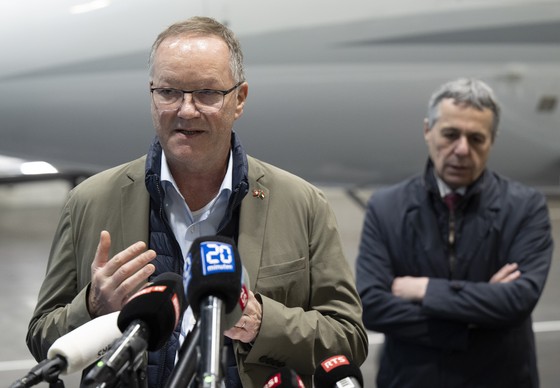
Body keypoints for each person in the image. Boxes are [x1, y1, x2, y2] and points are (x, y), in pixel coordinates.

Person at [26, 16, 368, 388]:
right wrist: (92, 306)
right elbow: (42, 338)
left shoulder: (302, 205)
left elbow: (348, 338)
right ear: (151, 96)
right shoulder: (89, 203)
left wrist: (261, 322)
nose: (186, 110)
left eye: (207, 93)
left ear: (239, 99)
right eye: (169, 92)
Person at [356, 78, 553, 388]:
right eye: (450, 135)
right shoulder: (385, 207)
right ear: (427, 130)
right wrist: (479, 319)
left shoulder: (526, 207)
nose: (462, 149)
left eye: (477, 138)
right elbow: (372, 306)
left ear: (492, 140)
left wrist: (424, 290)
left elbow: (518, 300)